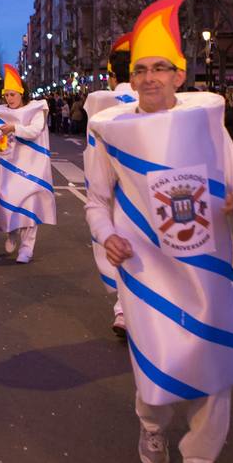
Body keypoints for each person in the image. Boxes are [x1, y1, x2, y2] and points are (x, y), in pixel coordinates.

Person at [85, 0, 233, 463]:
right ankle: (152, 425)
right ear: (130, 78)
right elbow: (95, 201)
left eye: (162, 68)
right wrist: (105, 235)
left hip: (208, 267)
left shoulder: (207, 122)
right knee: (154, 359)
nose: (151, 78)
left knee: (214, 364)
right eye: (142, 69)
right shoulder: (109, 131)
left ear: (181, 74)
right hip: (145, 267)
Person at [83, 33, 137, 336]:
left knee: (117, 241)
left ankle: (123, 310)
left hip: (109, 184)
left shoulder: (100, 102)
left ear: (112, 75)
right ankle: (125, 310)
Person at [0, 64, 56, 264]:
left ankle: (27, 248)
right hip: (10, 164)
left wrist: (14, 128)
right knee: (8, 199)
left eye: (13, 94)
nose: (9, 99)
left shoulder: (36, 109)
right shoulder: (0, 111)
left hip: (32, 165)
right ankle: (11, 231)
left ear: (22, 93)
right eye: (7, 95)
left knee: (30, 205)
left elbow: (34, 131)